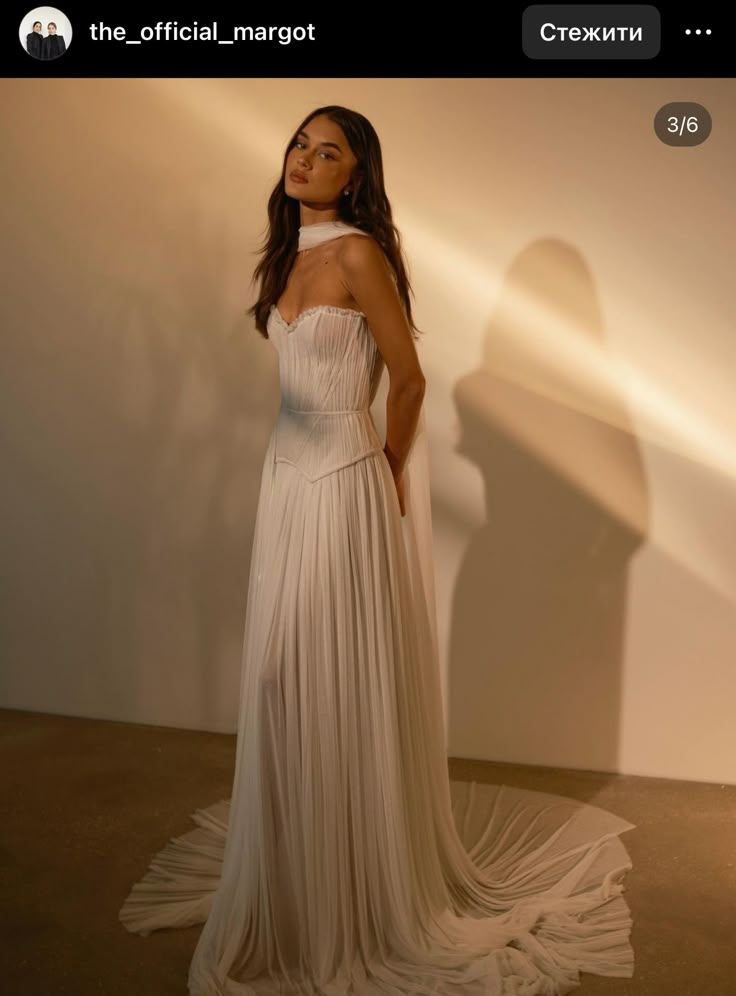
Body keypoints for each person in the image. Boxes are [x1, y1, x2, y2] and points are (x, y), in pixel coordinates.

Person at [119, 105, 636, 996]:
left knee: (315, 672)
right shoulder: (286, 255)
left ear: (355, 175)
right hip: (284, 480)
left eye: (329, 153)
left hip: (343, 483)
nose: (306, 161)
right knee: (281, 680)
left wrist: (383, 471)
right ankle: (296, 880)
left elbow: (410, 377)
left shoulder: (359, 253)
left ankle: (351, 899)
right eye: (299, 145)